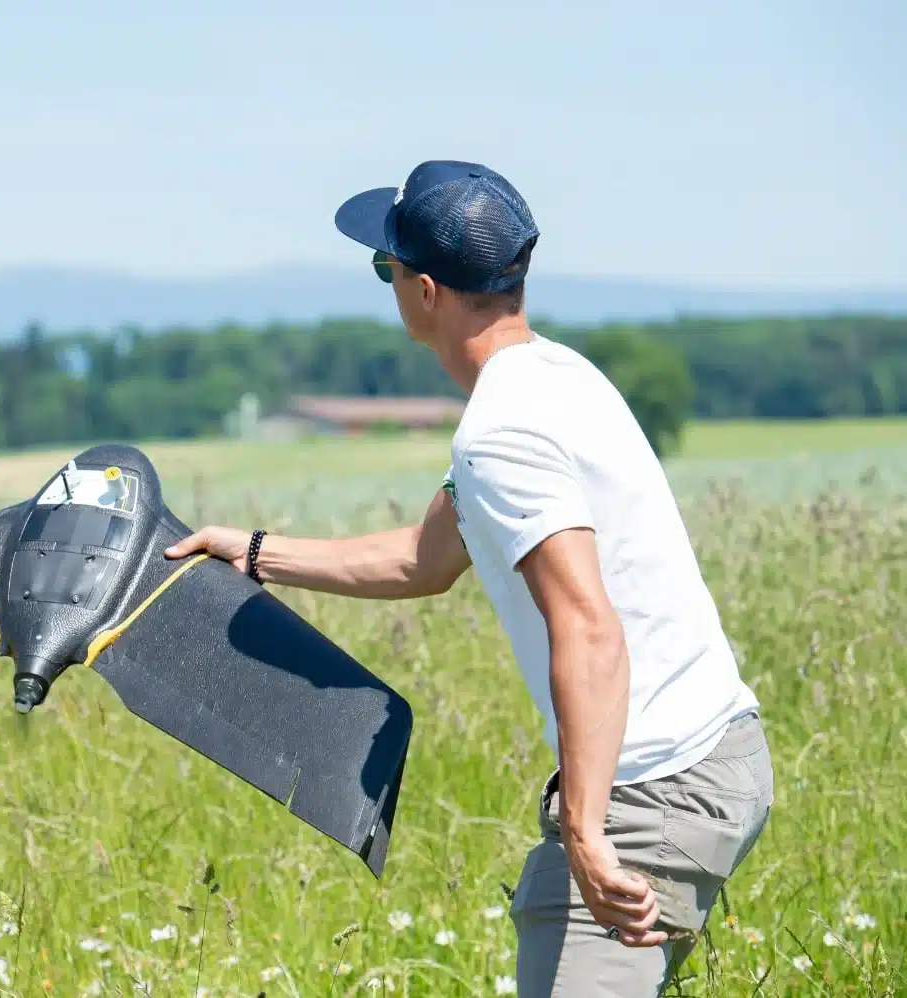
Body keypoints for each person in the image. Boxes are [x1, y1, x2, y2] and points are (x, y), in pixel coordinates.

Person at [164, 160, 773, 996]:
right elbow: (427, 558)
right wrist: (259, 552)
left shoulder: (503, 433)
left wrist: (588, 832)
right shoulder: (559, 377)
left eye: (385, 271)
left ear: (422, 291)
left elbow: (589, 629)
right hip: (714, 753)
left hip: (651, 792)